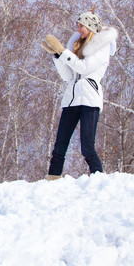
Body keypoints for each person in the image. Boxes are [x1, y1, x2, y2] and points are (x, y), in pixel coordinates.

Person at [41, 10, 118, 180]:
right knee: (59, 147)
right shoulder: (76, 46)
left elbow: (84, 68)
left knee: (87, 148)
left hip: (90, 100)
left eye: (81, 25)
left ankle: (100, 181)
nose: (78, 28)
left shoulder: (101, 47)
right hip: (71, 101)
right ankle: (52, 181)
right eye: (78, 25)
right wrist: (57, 56)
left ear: (90, 26)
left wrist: (63, 52)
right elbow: (68, 76)